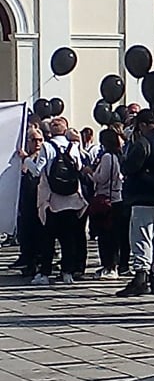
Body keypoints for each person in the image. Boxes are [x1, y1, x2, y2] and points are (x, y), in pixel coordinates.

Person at [117, 109, 154, 297]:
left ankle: (141, 277)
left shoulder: (144, 142)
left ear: (143, 125)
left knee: (142, 236)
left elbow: (128, 167)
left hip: (144, 195)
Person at [32, 117, 88, 286]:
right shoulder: (74, 147)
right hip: (71, 199)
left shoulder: (47, 147)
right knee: (68, 237)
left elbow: (37, 170)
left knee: (48, 238)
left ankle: (44, 273)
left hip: (52, 199)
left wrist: (26, 159)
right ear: (65, 130)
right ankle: (67, 272)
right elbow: (78, 168)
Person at [89, 128, 123, 280]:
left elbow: (102, 178)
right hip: (116, 198)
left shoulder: (107, 157)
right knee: (112, 235)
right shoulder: (118, 156)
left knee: (106, 236)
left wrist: (90, 173)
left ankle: (109, 265)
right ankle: (112, 264)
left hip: (107, 198)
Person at [15, 126, 46, 278]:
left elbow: (37, 172)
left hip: (39, 200)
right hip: (26, 202)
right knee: (26, 233)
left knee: (39, 234)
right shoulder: (20, 159)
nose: (38, 143)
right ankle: (28, 261)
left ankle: (38, 262)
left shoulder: (40, 157)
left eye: (40, 140)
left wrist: (26, 158)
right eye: (34, 140)